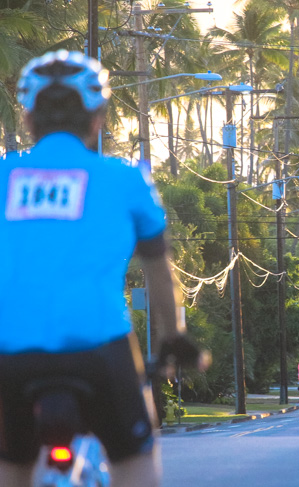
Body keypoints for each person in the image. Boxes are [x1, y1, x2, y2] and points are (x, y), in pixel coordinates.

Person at [0, 50, 201, 487]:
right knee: (136, 461)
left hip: (9, 353)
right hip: (100, 348)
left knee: (11, 466)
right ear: (98, 118)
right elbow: (160, 273)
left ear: (29, 118)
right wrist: (173, 340)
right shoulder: (125, 178)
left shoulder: (4, 176)